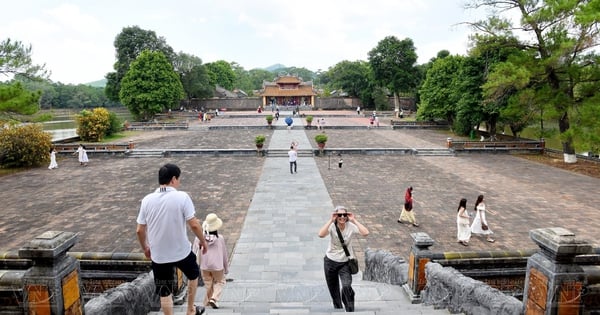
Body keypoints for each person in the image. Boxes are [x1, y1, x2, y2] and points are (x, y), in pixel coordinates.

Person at [136, 163, 208, 315]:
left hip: (159, 255)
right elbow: (194, 224)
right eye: (178, 179)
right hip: (181, 251)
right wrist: (203, 241)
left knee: (164, 290)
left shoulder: (147, 200)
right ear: (174, 179)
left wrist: (145, 248)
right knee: (194, 274)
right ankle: (190, 309)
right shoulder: (182, 197)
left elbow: (140, 230)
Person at [318, 206, 369, 312]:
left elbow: (365, 233)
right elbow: (321, 234)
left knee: (346, 286)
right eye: (339, 215)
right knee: (333, 290)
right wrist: (331, 220)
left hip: (345, 263)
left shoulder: (350, 226)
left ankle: (349, 308)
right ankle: (338, 308)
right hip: (330, 261)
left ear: (347, 216)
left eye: (344, 215)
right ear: (336, 216)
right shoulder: (332, 226)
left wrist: (354, 220)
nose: (342, 217)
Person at [197, 213, 228, 309]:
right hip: (217, 266)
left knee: (208, 284)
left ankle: (207, 302)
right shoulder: (220, 239)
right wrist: (226, 268)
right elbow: (224, 254)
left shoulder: (199, 238)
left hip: (204, 265)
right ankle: (214, 299)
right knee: (220, 281)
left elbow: (195, 251)